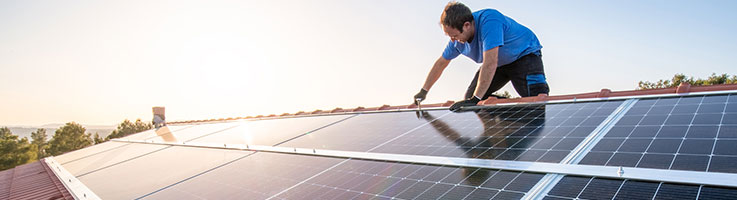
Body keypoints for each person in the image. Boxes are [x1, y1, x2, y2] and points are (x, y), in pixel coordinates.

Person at [414, 2, 549, 111]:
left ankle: (527, 111)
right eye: (450, 37)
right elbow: (441, 63)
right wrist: (423, 91)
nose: (453, 40)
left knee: (536, 101)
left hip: (524, 56)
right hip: (500, 65)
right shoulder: (456, 42)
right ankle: (508, 121)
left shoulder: (489, 21)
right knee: (470, 99)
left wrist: (476, 99)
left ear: (467, 25)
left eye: (454, 36)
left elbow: (490, 62)